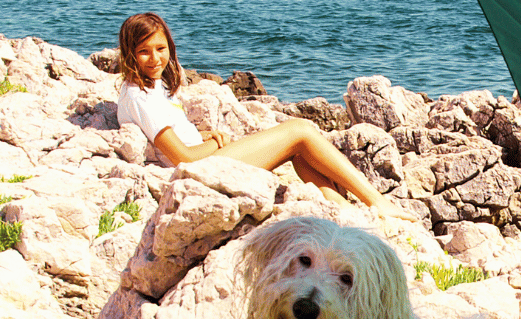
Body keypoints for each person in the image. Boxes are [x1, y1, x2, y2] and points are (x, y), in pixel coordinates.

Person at [116, 12, 411, 219]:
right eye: (144, 51)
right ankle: (377, 201)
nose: (155, 59)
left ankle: (344, 211)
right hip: (202, 171)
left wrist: (204, 136)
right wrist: (216, 143)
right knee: (301, 131)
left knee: (300, 153)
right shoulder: (140, 96)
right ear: (129, 53)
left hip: (206, 160)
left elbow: (167, 137)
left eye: (160, 48)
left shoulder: (149, 87)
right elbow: (184, 159)